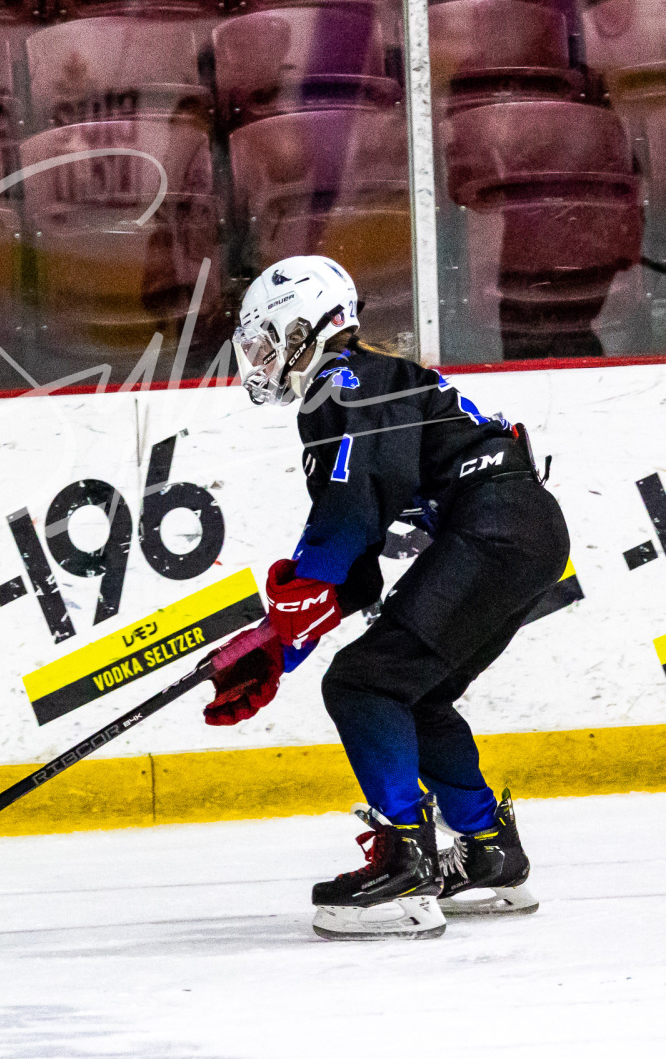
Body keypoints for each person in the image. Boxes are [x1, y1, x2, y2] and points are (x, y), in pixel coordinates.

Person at [204, 255, 570, 940]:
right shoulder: (369, 380)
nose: (258, 360)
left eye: (265, 341)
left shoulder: (343, 385)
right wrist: (276, 648)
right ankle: (490, 851)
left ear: (302, 328)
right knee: (413, 692)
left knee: (363, 685)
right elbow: (359, 569)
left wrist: (287, 623)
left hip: (494, 527)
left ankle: (406, 862)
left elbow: (349, 516)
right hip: (522, 531)